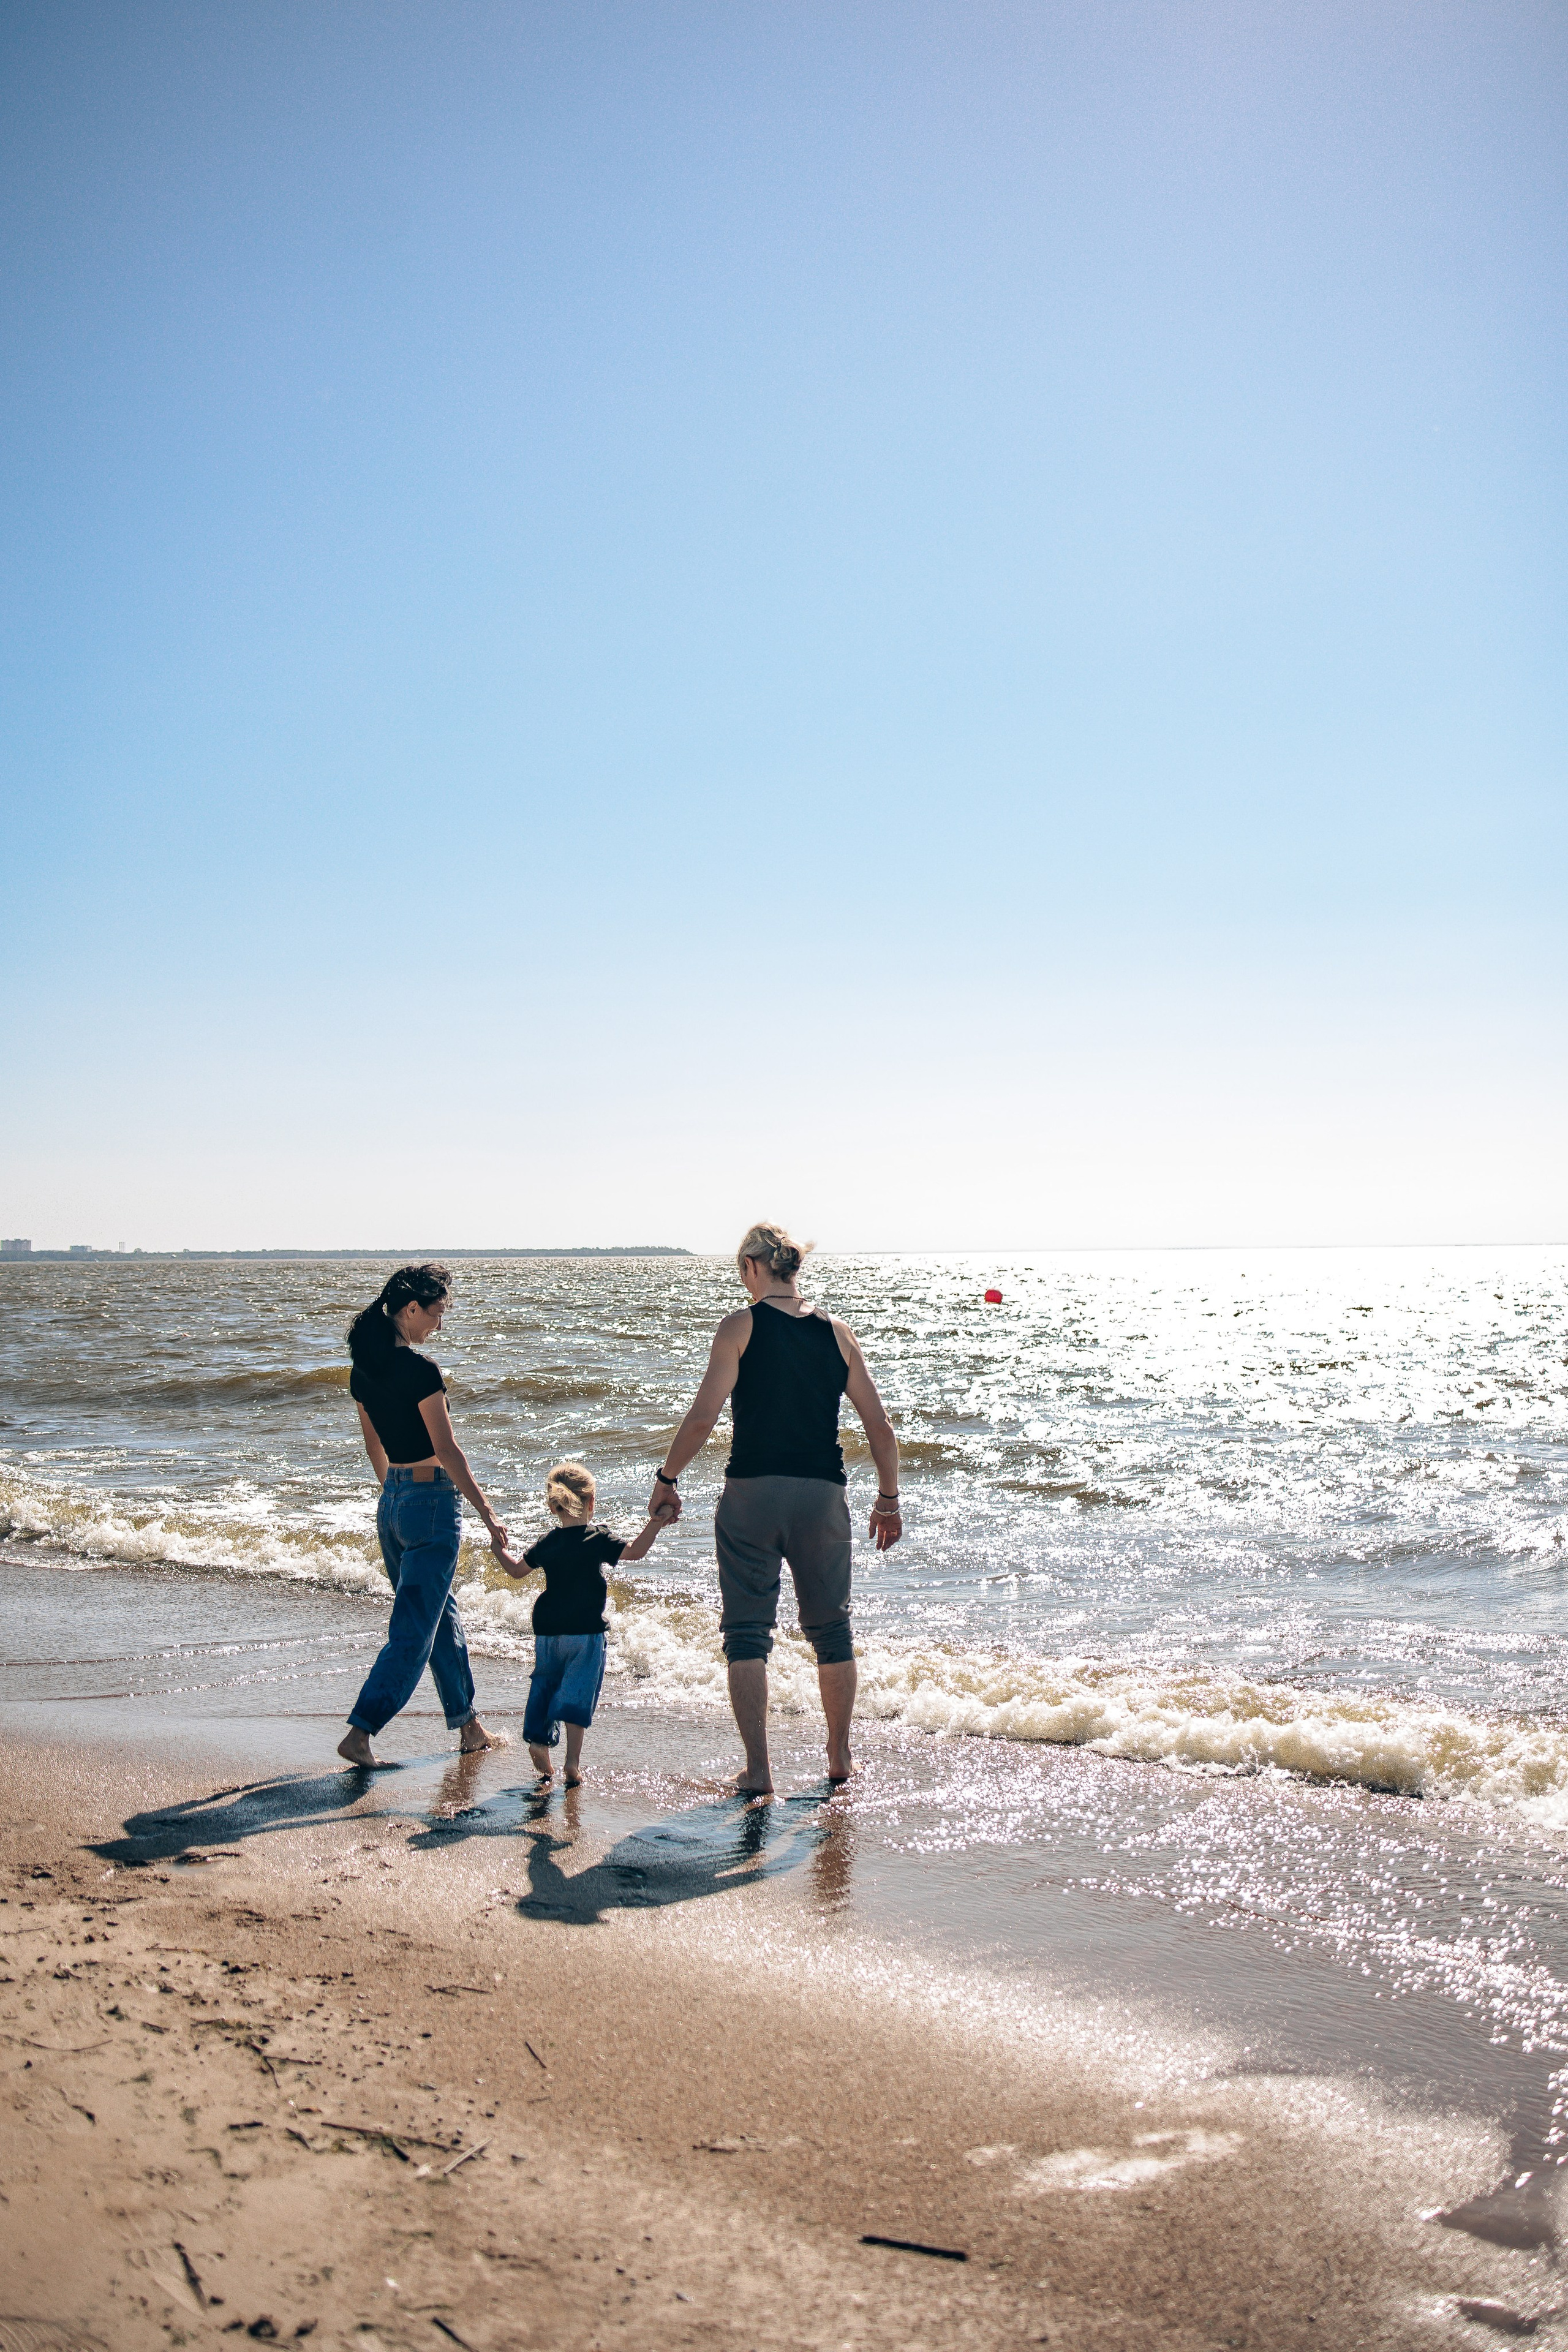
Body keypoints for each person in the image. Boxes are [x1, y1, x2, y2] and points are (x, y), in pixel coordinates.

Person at [649, 1221, 902, 1794]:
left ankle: (759, 1769)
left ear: (751, 1268)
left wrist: (668, 1478)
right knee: (832, 1631)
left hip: (751, 1496)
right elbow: (879, 1426)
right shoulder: (838, 1332)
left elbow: (702, 1418)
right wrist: (887, 1498)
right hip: (822, 1497)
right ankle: (839, 1756)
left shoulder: (739, 1327)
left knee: (745, 1634)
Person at [337, 1263, 508, 1768]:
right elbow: (448, 1451)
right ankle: (361, 1731)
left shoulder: (361, 1369)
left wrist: (394, 1497)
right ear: (411, 1309)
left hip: (391, 1503)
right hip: (431, 1504)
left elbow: (375, 1449)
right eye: (436, 1315)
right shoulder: (421, 1370)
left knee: (439, 1614)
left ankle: (470, 1725)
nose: (438, 1325)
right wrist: (488, 1513)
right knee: (414, 1631)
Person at [500, 1459, 673, 1786]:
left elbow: (516, 1571)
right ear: (591, 1503)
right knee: (578, 1694)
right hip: (586, 1632)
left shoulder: (548, 1542)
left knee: (545, 1684)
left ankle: (539, 1741)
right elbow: (635, 1552)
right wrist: (656, 1522)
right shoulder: (597, 1538)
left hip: (549, 1631)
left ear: (555, 1506)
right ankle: (572, 1763)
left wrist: (498, 1548)